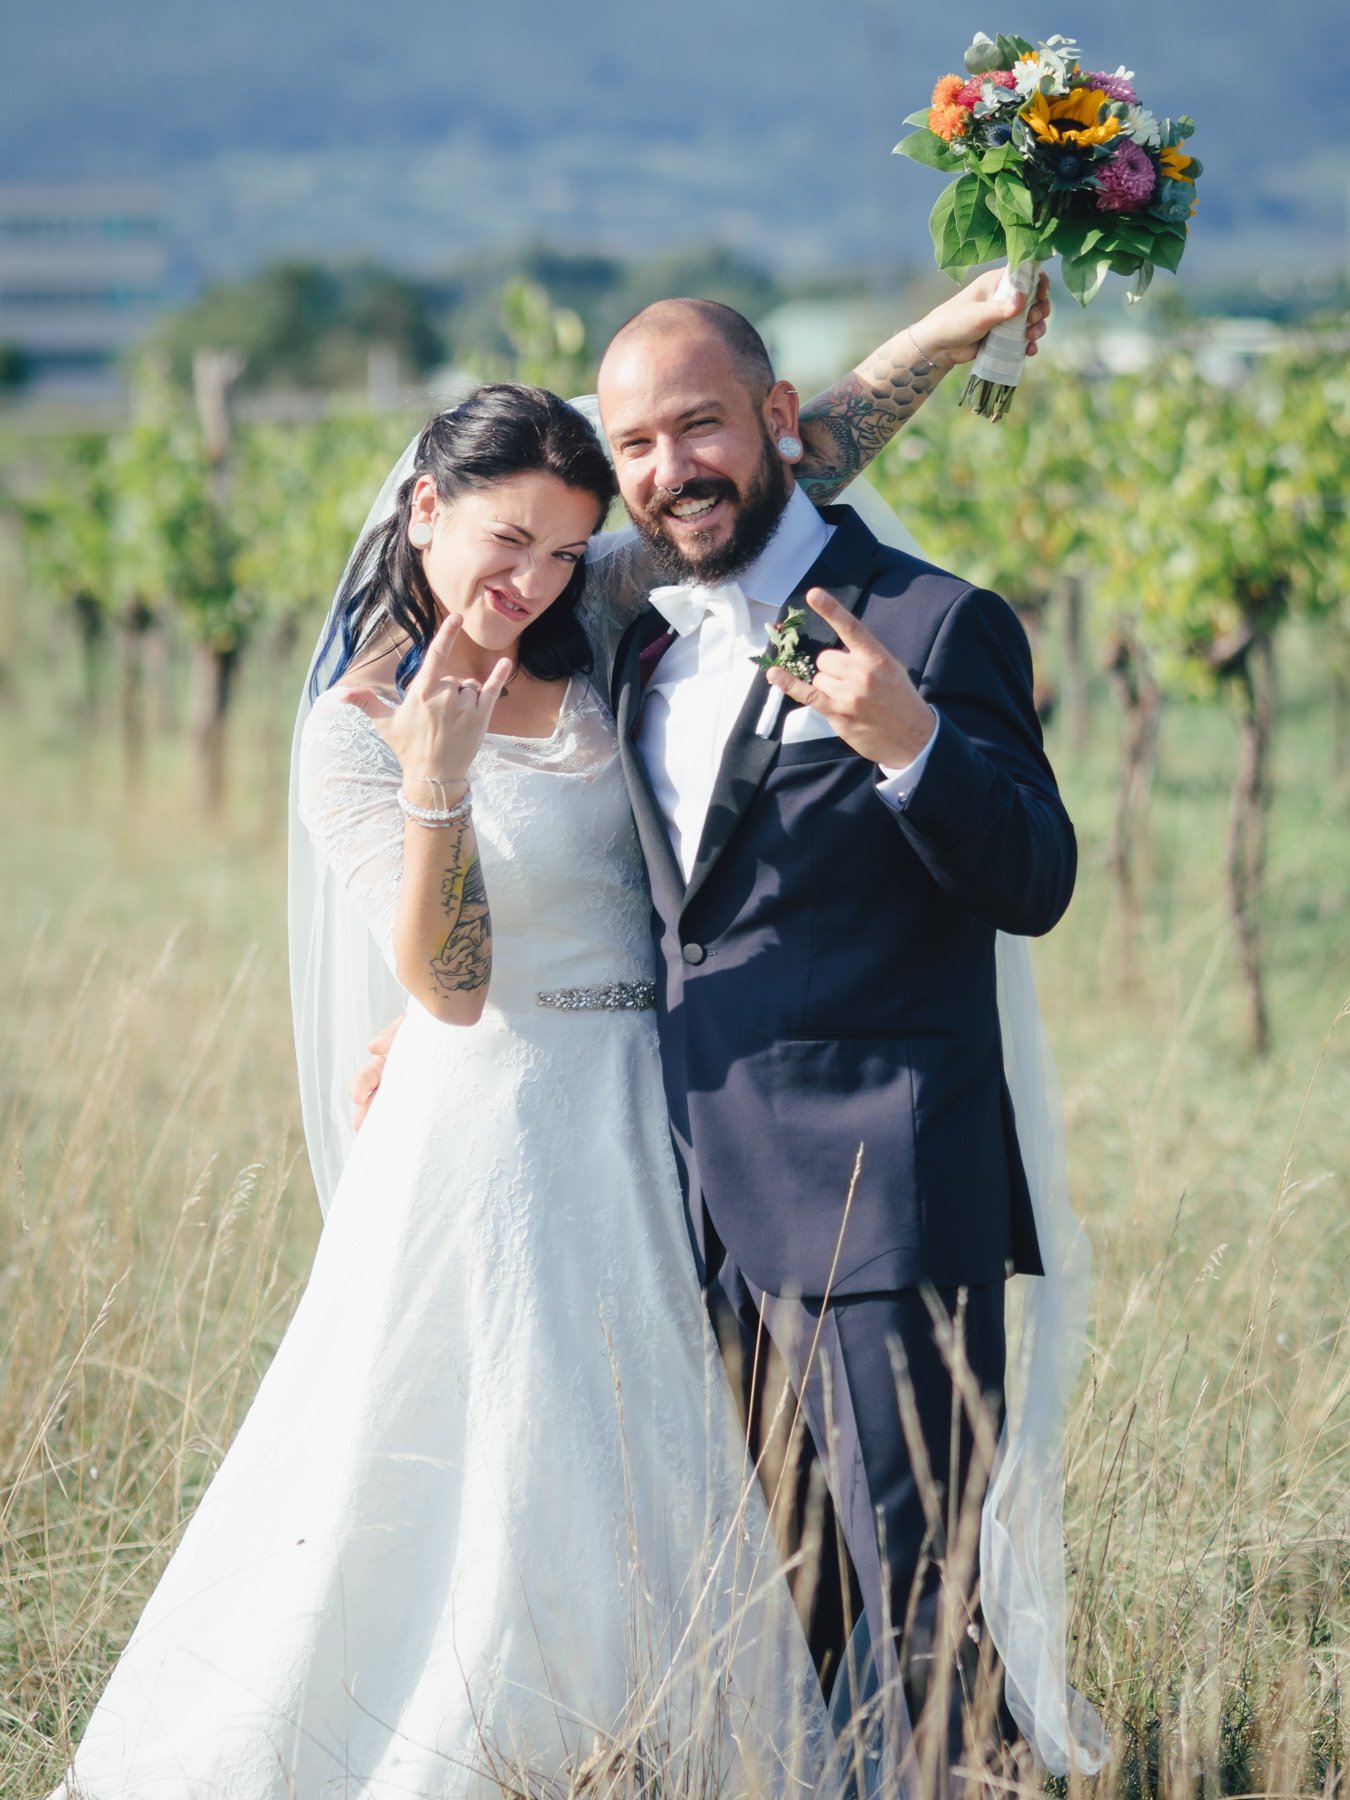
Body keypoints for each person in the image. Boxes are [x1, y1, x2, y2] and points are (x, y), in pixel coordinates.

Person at [46, 281, 1039, 1797]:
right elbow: (446, 988)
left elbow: (791, 455)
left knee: (674, 1466)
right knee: (485, 1463)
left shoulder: (594, 614)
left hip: (652, 1116)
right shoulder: (353, 727)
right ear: (425, 510)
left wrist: (952, 325)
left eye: (564, 546)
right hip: (492, 1130)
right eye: (505, 541)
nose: (530, 578)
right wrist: (437, 785)